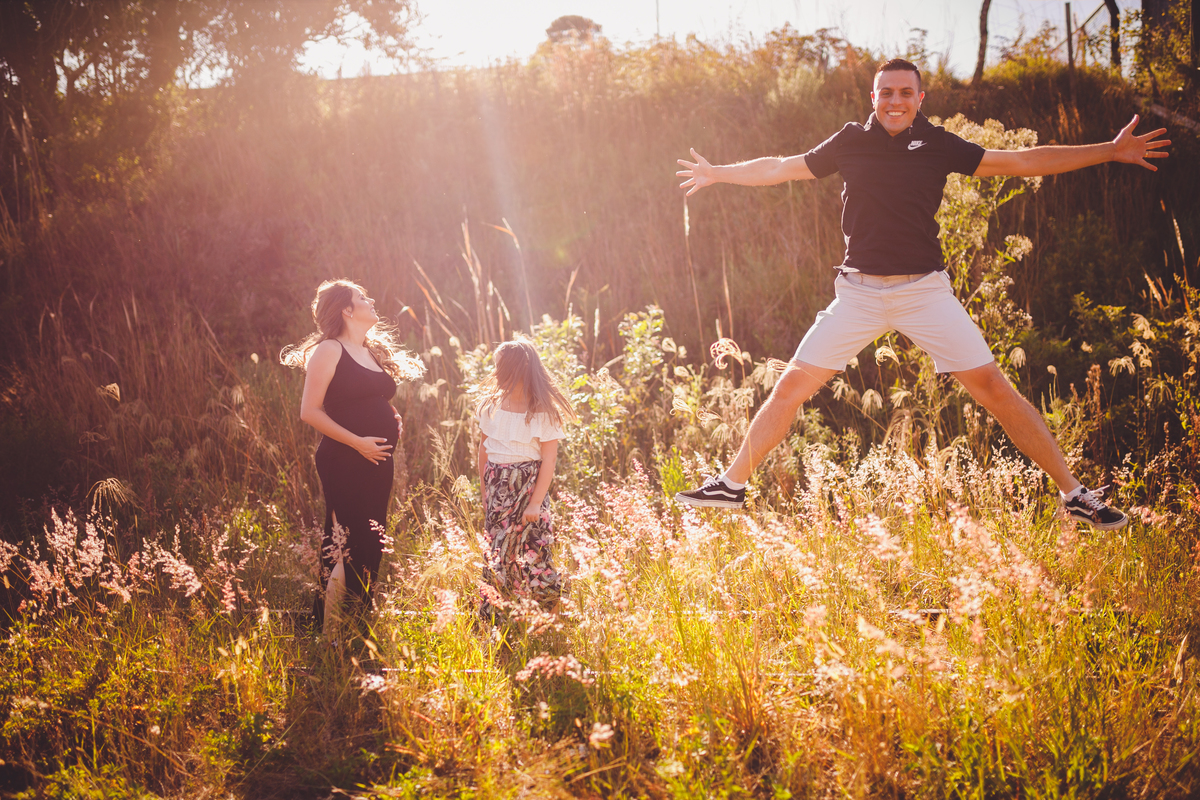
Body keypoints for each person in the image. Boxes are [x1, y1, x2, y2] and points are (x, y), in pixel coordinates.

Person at [673, 58, 1170, 530]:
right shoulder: (850, 141)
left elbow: (1020, 161)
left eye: (905, 93)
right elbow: (781, 166)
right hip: (858, 295)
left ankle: (1075, 495)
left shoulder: (937, 143)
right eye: (886, 92)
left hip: (924, 293)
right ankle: (732, 485)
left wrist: (1109, 149)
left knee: (996, 389)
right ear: (873, 96)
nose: (895, 101)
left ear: (919, 97)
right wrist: (719, 173)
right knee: (790, 388)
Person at [282, 280, 424, 636]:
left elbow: (362, 396)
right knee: (348, 539)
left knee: (368, 539)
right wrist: (358, 441)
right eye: (363, 297)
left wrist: (389, 415)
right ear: (346, 309)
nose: (371, 299)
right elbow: (310, 412)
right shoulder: (329, 349)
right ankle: (336, 633)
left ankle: (332, 623)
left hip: (377, 459)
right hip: (344, 459)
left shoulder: (368, 350)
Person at [475, 339, 576, 620]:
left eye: (498, 367)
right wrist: (485, 493)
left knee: (534, 549)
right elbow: (483, 450)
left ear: (515, 370)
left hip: (528, 485)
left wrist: (535, 503)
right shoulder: (490, 406)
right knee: (498, 552)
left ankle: (549, 617)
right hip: (497, 484)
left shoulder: (542, 410)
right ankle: (498, 616)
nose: (494, 373)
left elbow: (549, 460)